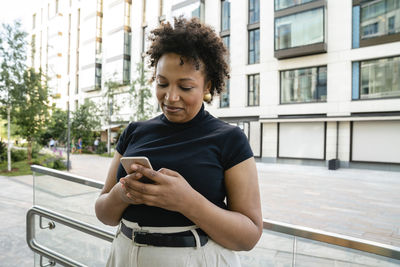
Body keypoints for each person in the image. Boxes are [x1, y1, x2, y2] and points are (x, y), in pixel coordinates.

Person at [95, 17, 262, 267]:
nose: (171, 97)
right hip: (124, 256)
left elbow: (248, 236)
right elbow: (104, 213)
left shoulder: (229, 138)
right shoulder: (134, 132)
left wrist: (186, 201)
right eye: (162, 83)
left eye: (185, 87)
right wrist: (123, 193)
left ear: (207, 85)